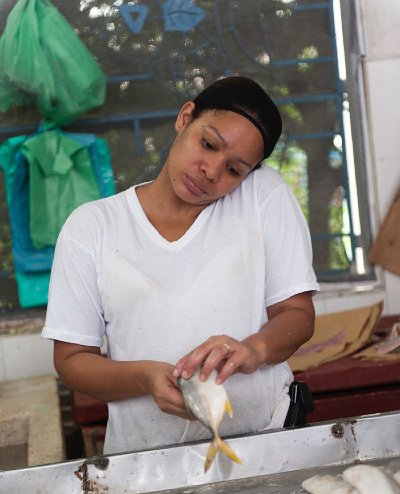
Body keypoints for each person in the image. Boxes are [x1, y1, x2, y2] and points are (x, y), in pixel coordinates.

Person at [42, 76, 319, 458]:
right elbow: (72, 362)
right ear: (185, 117)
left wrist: (253, 349)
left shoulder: (263, 195)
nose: (211, 171)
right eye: (208, 144)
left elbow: (298, 315)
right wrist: (145, 377)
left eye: (234, 169)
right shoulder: (93, 227)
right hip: (146, 461)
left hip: (268, 440)